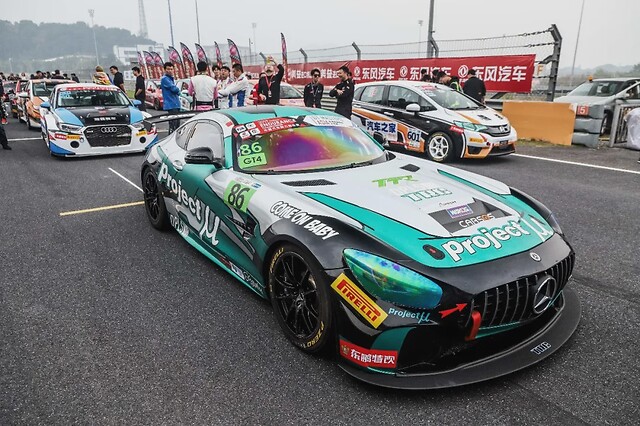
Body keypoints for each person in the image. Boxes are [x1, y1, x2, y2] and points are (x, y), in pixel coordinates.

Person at [161, 62, 181, 134]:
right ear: (164, 70)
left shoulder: (171, 79)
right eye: (168, 69)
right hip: (171, 104)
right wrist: (178, 91)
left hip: (175, 104)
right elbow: (174, 89)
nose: (170, 71)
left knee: (177, 124)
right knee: (173, 125)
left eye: (171, 69)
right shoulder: (165, 79)